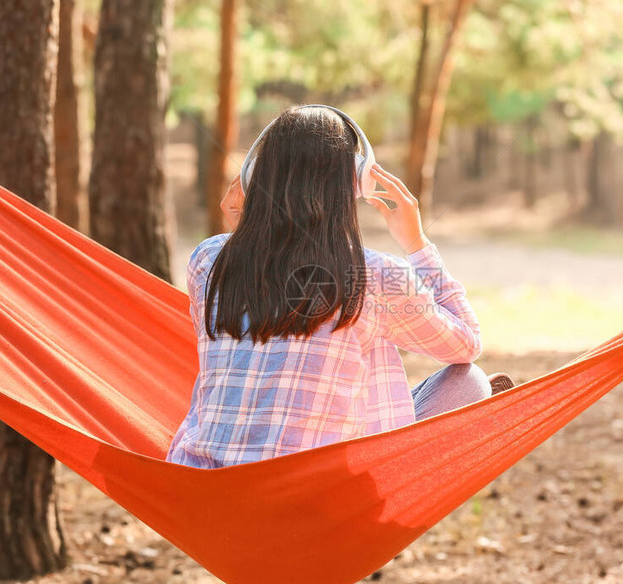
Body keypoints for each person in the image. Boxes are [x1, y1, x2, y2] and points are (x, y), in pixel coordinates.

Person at [166, 105, 513, 469]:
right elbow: (467, 344)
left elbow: (255, 330)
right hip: (320, 492)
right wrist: (417, 244)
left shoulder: (207, 260)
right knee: (468, 381)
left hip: (203, 481)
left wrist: (242, 221)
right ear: (357, 182)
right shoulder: (374, 275)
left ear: (254, 177)